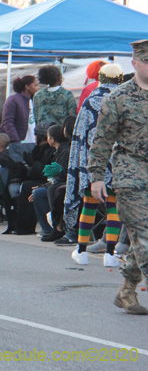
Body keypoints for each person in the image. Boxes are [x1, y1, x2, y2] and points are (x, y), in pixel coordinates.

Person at [87, 39, 148, 316]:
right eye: (146, 60)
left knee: (140, 238)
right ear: (134, 63)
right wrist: (96, 176)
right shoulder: (118, 98)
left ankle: (126, 291)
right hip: (130, 172)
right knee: (144, 233)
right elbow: (101, 140)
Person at [66, 64, 125, 262]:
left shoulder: (90, 101)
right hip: (117, 161)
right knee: (113, 207)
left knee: (89, 205)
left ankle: (82, 250)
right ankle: (110, 253)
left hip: (94, 161)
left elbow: (80, 137)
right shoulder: (124, 100)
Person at [0, 75, 38, 143]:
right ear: (27, 87)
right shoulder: (13, 100)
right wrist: (16, 140)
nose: (38, 88)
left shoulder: (35, 100)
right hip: (18, 142)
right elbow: (7, 122)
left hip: (33, 142)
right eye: (35, 85)